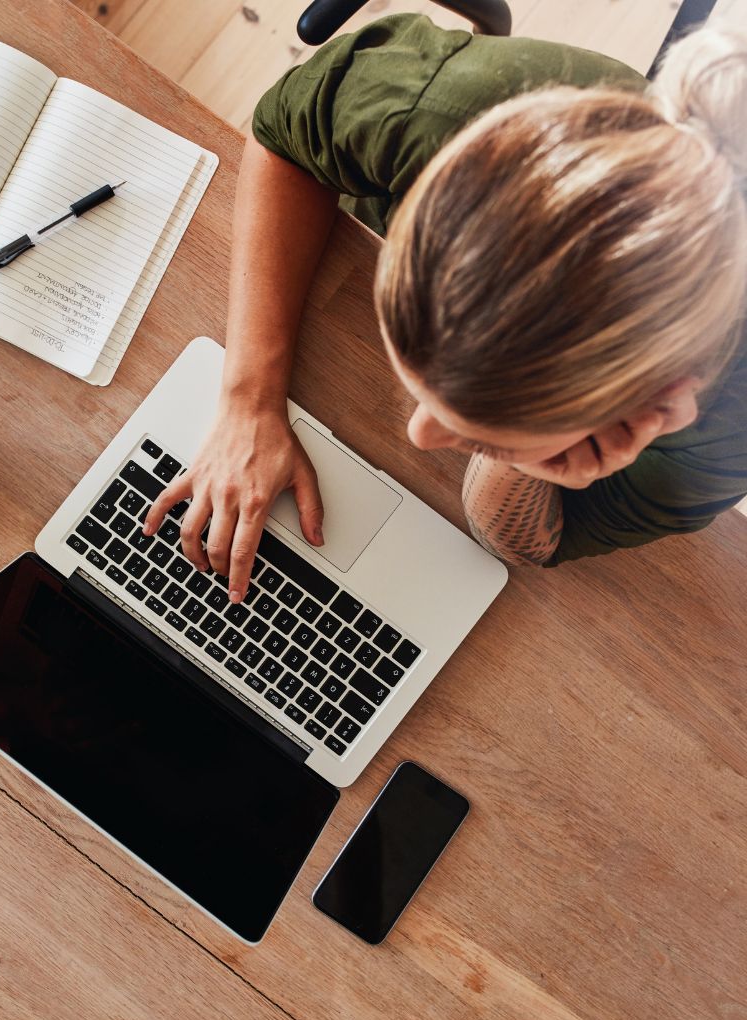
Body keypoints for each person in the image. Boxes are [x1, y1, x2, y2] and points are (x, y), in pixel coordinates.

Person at [141, 16, 747, 605]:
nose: (420, 434)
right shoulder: (444, 112)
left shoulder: (726, 434)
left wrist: (530, 468)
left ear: (659, 406)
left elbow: (521, 543)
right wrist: (249, 399)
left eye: (483, 432)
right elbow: (286, 133)